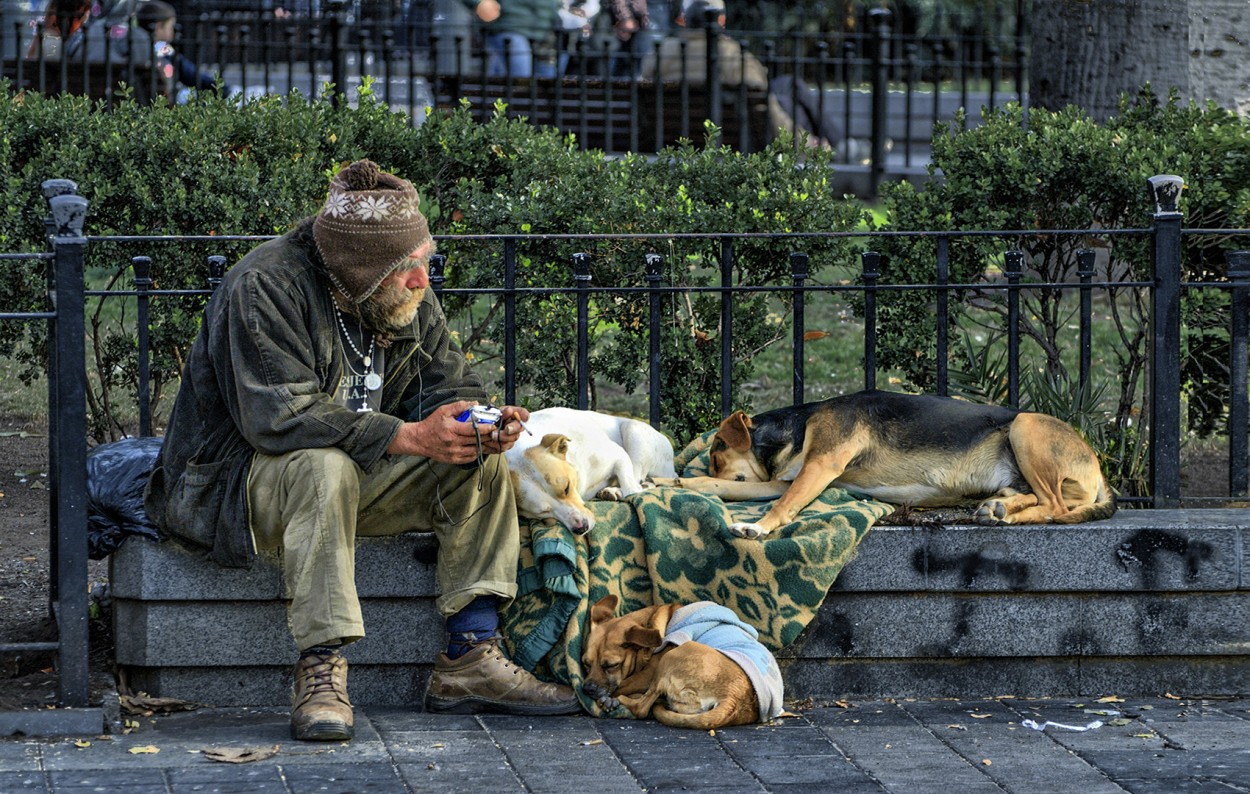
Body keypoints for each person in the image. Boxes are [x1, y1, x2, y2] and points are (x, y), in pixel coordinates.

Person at [143, 159, 581, 742]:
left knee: (476, 461)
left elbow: (449, 383)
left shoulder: (405, 291)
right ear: (361, 273)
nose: (423, 281)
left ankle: (470, 659)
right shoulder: (264, 286)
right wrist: (408, 436)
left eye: (425, 260)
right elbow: (279, 417)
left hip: (349, 478)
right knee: (324, 467)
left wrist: (481, 422)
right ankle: (321, 669)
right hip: (235, 488)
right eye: (409, 269)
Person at [639, 0, 796, 144]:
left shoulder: (660, 54)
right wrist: (808, 146)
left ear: (685, 20)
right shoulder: (734, 56)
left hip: (672, 140)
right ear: (721, 21)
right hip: (730, 143)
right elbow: (767, 110)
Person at [134, 0, 234, 99]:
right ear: (159, 27)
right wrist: (222, 88)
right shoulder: (163, 49)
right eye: (171, 27)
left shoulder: (132, 46)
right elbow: (191, 74)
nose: (173, 32)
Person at [461, 0, 562, 78]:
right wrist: (478, 2)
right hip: (508, 26)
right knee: (520, 82)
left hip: (544, 31)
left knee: (549, 87)